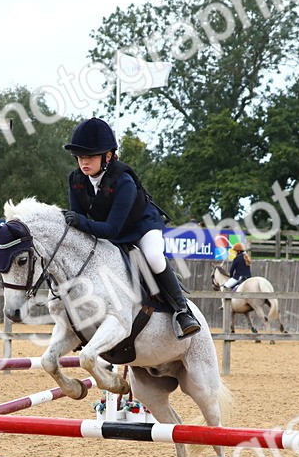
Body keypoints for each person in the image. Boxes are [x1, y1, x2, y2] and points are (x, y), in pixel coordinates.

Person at [61, 117, 200, 338]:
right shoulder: (76, 180)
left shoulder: (123, 180)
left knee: (153, 257)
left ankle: (183, 312)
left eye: (89, 156)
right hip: (107, 229)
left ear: (107, 156)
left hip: (141, 227)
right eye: (79, 157)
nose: (83, 162)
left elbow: (112, 229)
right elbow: (79, 219)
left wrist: (80, 222)